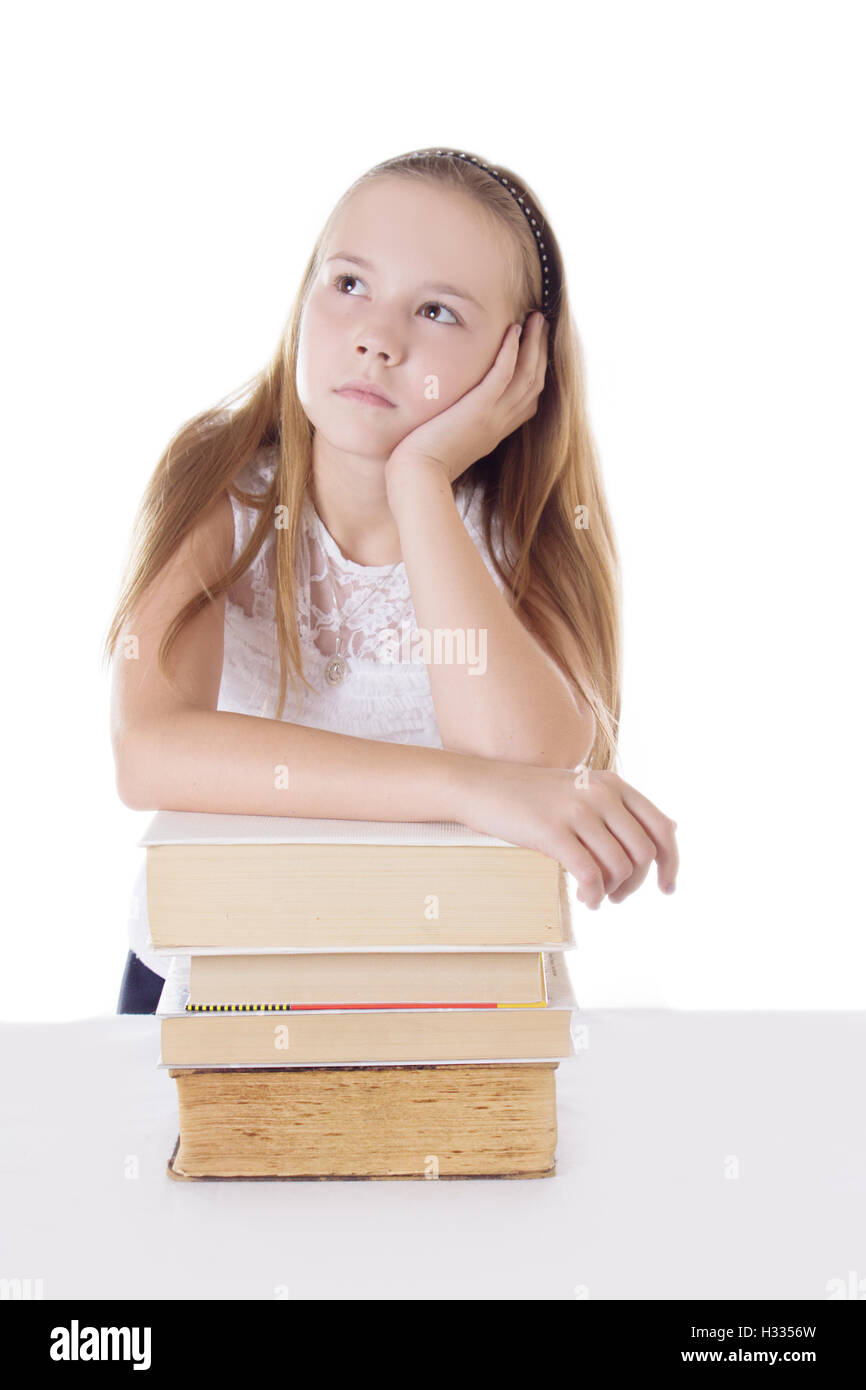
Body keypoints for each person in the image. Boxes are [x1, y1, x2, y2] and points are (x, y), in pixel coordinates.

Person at [104, 147, 679, 1014]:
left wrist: (421, 484)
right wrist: (456, 787)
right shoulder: (221, 484)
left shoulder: (521, 531)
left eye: (438, 311)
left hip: (453, 984)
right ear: (303, 299)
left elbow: (532, 766)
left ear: (518, 363)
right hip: (218, 969)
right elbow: (147, 752)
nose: (379, 336)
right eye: (348, 285)